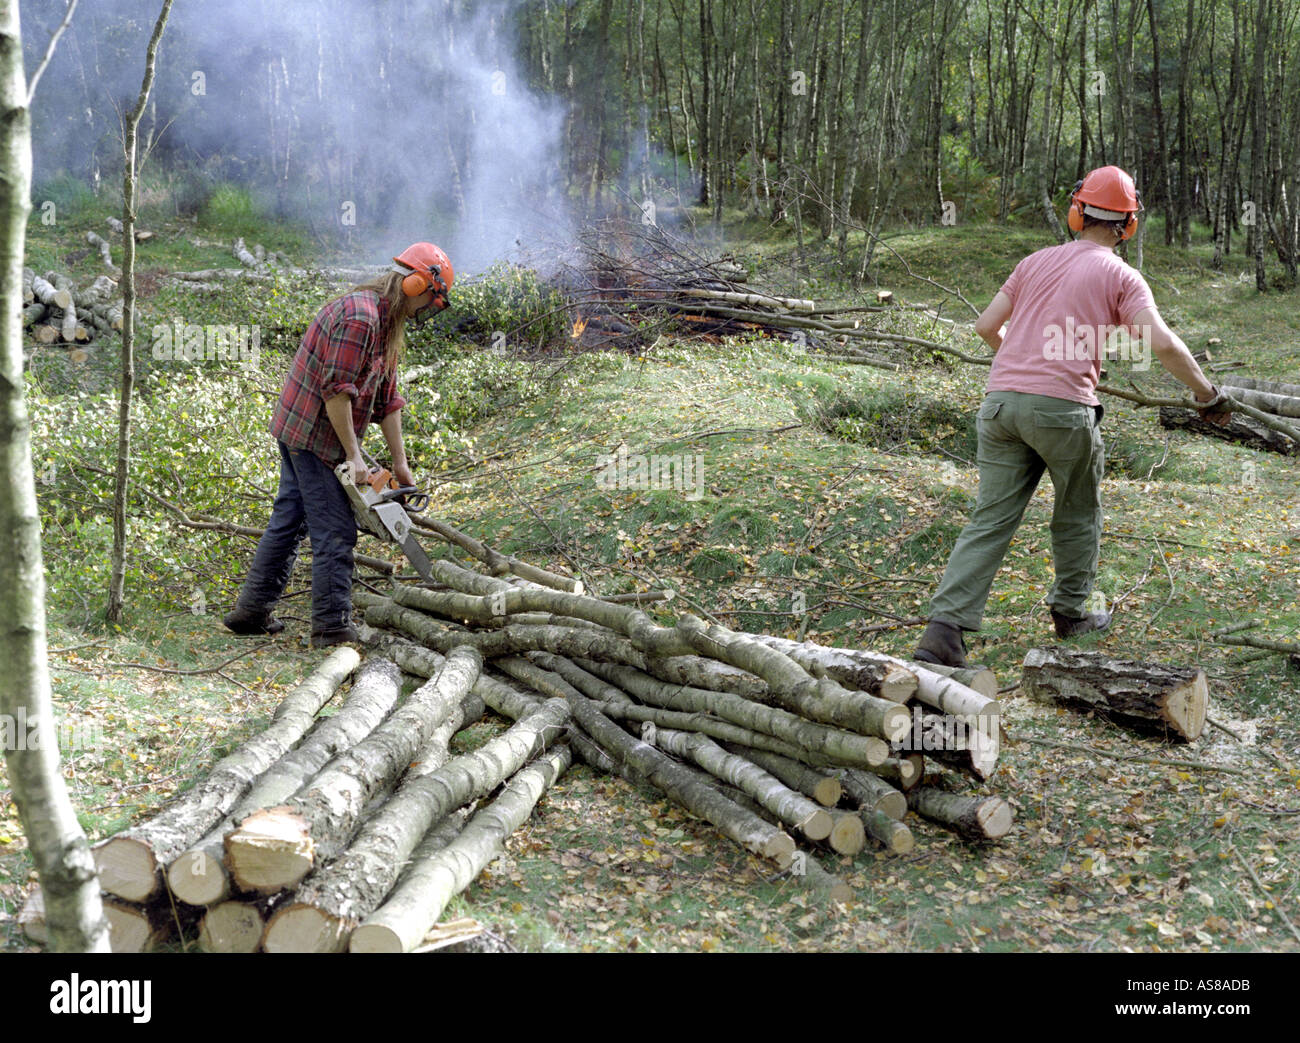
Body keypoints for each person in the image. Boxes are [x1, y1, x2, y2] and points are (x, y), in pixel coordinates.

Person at [913, 166, 1229, 668]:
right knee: (1078, 510)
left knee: (990, 518)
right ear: (1127, 226)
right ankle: (1071, 613)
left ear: (1077, 212)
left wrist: (1020, 359)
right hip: (1061, 412)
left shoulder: (1034, 260)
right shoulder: (1121, 274)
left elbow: (985, 325)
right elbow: (1161, 343)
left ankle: (943, 632)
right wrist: (1207, 395)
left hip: (999, 405)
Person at [223, 242, 453, 647]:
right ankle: (331, 628)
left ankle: (251, 611)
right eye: (430, 301)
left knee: (291, 518)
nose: (426, 312)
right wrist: (353, 456)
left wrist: (399, 466)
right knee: (336, 531)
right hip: (313, 434)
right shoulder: (361, 318)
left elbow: (388, 399)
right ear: (416, 283)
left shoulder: (386, 320)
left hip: (306, 428)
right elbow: (336, 393)